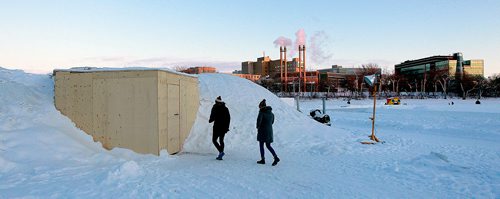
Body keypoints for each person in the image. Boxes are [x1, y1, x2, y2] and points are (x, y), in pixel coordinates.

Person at [256, 99, 280, 166]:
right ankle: (275, 157)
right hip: (269, 131)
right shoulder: (271, 113)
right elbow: (272, 122)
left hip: (262, 131)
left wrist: (258, 127)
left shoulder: (261, 112)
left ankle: (263, 159)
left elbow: (258, 122)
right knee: (268, 145)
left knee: (261, 145)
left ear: (261, 106)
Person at [209, 96, 230, 160]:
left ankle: (221, 152)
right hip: (223, 127)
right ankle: (221, 154)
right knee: (221, 140)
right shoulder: (225, 108)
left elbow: (212, 115)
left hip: (217, 126)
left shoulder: (215, 107)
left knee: (214, 140)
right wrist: (227, 127)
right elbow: (228, 119)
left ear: (216, 102)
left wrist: (210, 120)